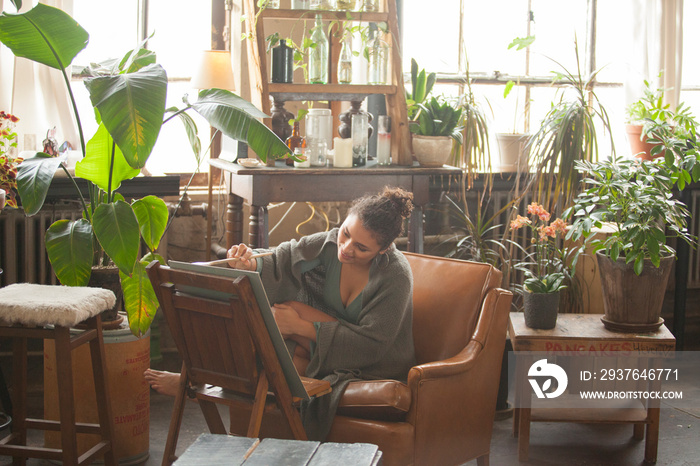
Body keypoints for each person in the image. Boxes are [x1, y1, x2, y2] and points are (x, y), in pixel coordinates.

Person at [144, 186, 416, 440]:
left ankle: (197, 383)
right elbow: (283, 258)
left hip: (373, 360)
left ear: (383, 249)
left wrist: (299, 327)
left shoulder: (395, 276)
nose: (346, 248)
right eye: (346, 233)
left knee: (292, 319)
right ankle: (203, 379)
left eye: (361, 248)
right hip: (325, 347)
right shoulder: (330, 243)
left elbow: (372, 345)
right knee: (288, 336)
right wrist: (251, 263)